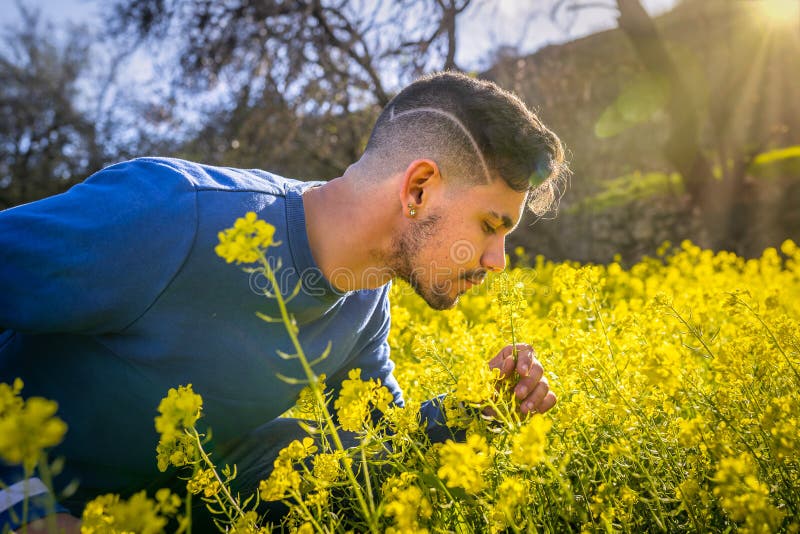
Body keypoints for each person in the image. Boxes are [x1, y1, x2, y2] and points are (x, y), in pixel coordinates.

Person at [0, 71, 566, 531]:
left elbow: (381, 447)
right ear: (418, 189)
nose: (499, 260)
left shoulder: (365, 301)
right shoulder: (172, 214)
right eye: (491, 225)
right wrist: (25, 508)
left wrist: (473, 413)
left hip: (166, 507)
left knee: (333, 467)